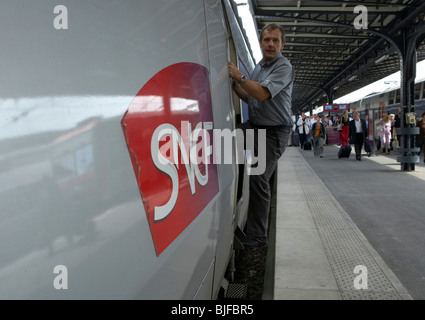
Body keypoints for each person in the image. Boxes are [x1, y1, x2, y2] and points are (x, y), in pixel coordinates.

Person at [228, 23, 294, 246]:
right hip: (255, 127)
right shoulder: (259, 67)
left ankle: (258, 236)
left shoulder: (283, 67)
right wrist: (236, 87)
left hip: (274, 133)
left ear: (282, 44)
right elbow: (253, 99)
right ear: (261, 43)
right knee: (225, 140)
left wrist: (241, 78)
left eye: (275, 40)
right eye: (267, 40)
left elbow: (263, 94)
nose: (271, 44)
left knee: (258, 179)